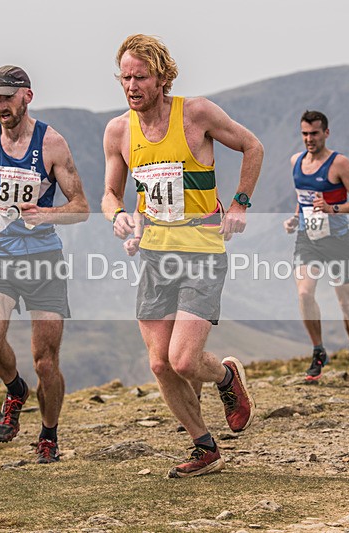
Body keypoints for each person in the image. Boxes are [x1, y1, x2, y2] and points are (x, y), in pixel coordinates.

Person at [102, 34, 263, 478]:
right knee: (159, 363)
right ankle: (204, 446)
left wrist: (239, 204)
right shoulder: (119, 130)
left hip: (202, 250)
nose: (132, 86)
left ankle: (227, 377)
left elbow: (253, 146)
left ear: (162, 77)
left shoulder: (196, 114)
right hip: (155, 255)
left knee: (184, 360)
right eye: (125, 77)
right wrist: (119, 217)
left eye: (141, 77)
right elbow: (111, 193)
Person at [0, 65, 90, 463]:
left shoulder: (52, 144)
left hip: (43, 259)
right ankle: (14, 389)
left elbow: (81, 208)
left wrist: (43, 215)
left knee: (46, 362)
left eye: (6, 98)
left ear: (27, 96)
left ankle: (48, 434)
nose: (0, 106)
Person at [283, 110, 349, 383]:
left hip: (338, 241)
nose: (309, 139)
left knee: (345, 302)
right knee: (305, 294)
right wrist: (295, 218)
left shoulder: (339, 163)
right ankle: (318, 351)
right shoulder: (296, 161)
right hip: (307, 239)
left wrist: (333, 208)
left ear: (326, 133)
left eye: (315, 133)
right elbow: (303, 198)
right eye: (305, 134)